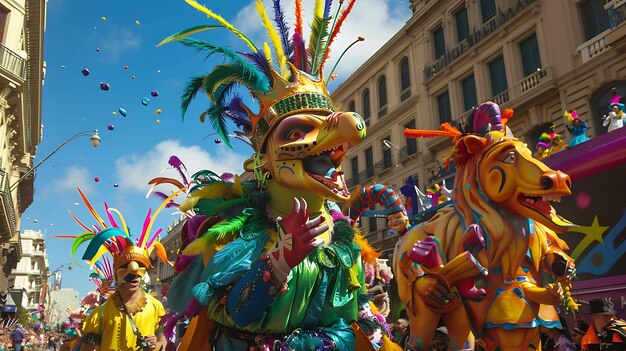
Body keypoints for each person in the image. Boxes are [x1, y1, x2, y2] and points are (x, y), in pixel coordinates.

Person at [70, 191, 169, 351]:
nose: (134, 273)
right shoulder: (99, 315)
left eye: (139, 267)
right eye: (126, 267)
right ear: (116, 273)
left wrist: (156, 345)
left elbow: (163, 342)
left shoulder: (156, 307)